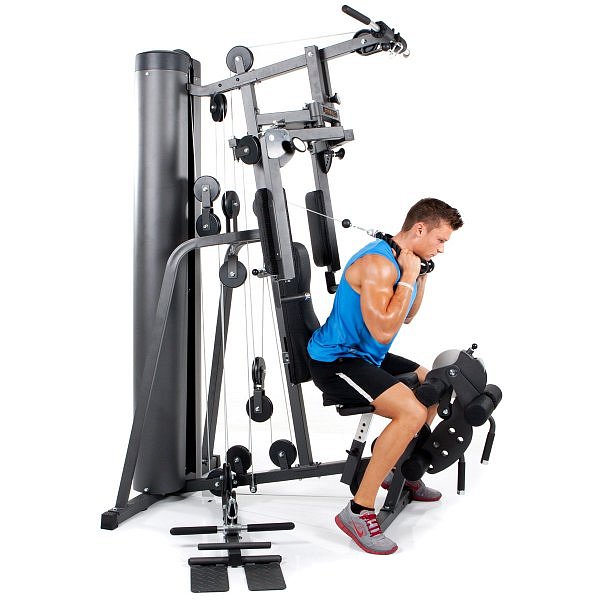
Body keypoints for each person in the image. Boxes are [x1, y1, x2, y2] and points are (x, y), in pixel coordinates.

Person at [307, 198, 463, 555]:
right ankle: (358, 511)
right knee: (411, 412)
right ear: (419, 229)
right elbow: (382, 332)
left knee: (435, 384)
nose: (442, 249)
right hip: (337, 361)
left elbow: (406, 316)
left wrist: (419, 276)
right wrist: (408, 276)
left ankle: (394, 469)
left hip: (366, 355)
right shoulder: (378, 265)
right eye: (440, 240)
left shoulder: (404, 261)